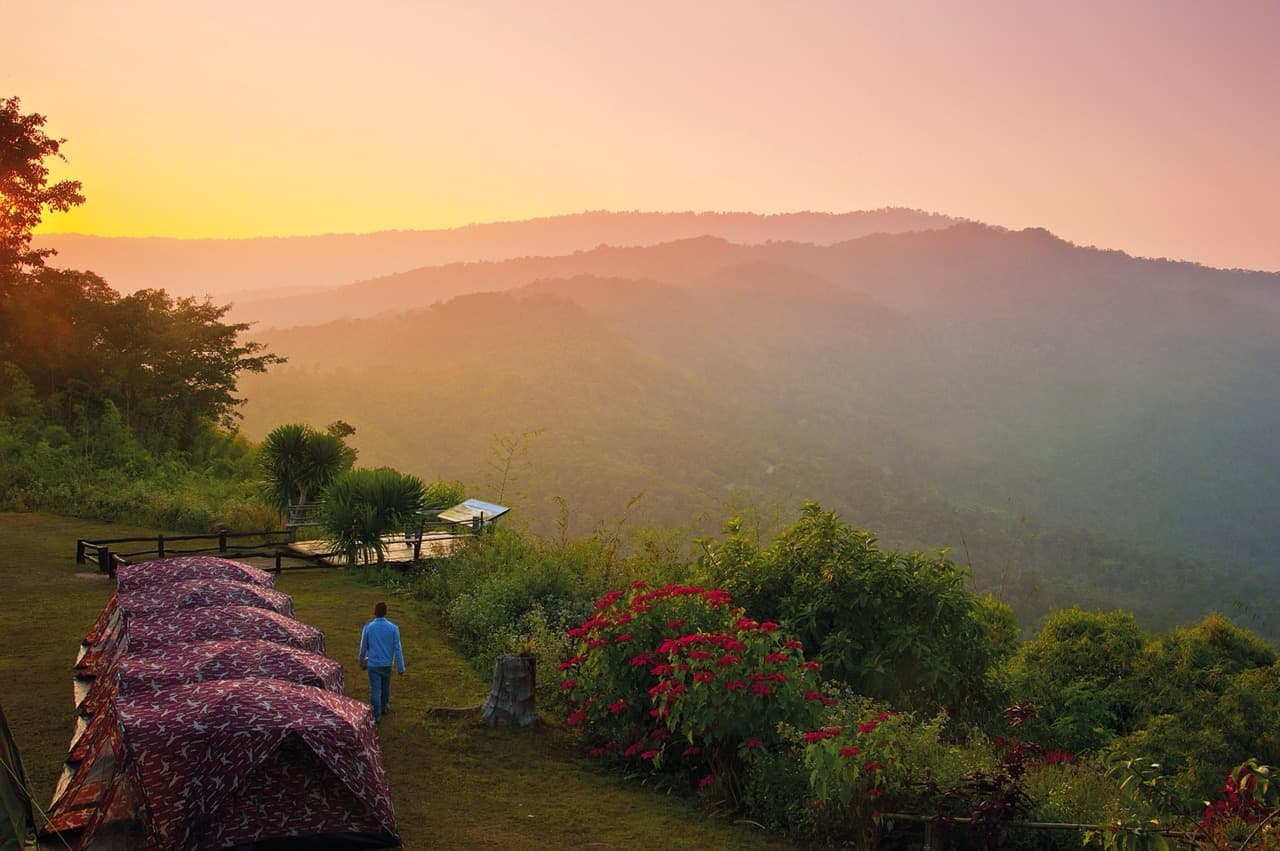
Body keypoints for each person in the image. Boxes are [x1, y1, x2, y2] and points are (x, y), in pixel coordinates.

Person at [358, 601, 404, 722]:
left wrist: (361, 661)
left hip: (373, 664)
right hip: (387, 664)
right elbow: (398, 648)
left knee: (375, 689)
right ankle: (384, 707)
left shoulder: (368, 627)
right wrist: (401, 667)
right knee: (385, 687)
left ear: (375, 612)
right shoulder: (393, 628)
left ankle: (376, 714)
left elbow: (363, 647)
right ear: (385, 612)